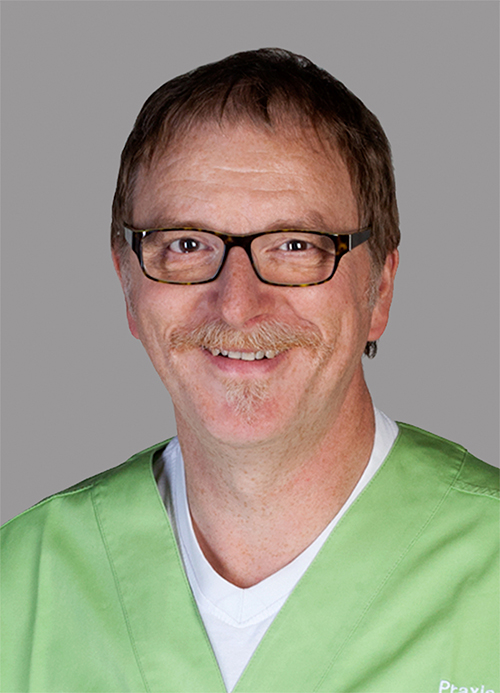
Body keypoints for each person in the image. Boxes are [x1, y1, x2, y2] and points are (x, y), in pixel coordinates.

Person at [1, 48, 498, 693]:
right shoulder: (20, 587)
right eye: (187, 245)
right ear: (128, 285)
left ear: (379, 290)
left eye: (296, 245)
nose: (237, 304)